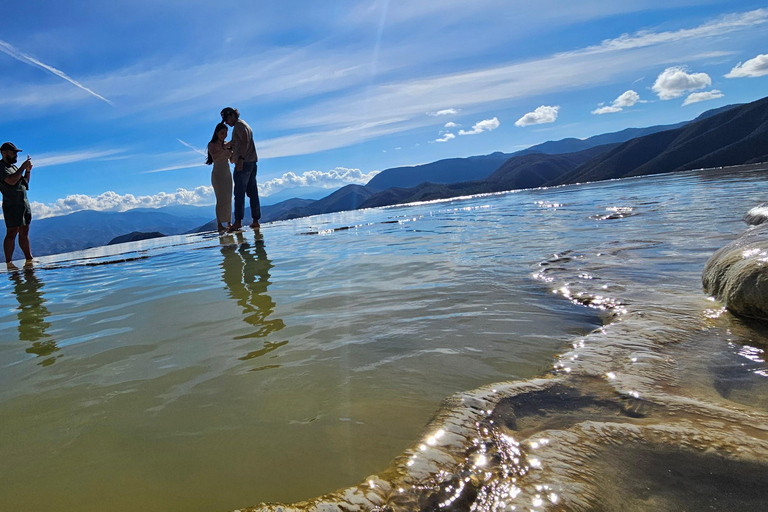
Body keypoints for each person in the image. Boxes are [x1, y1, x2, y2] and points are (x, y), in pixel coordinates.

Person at [221, 107, 260, 231]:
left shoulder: (239, 125)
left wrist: (241, 159)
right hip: (252, 161)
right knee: (252, 192)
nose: (226, 122)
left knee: (239, 193)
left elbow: (245, 141)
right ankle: (255, 220)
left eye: (226, 119)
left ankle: (238, 222)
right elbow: (238, 140)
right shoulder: (243, 125)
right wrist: (227, 145)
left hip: (244, 162)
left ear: (232, 115)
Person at [0, 142, 34, 268]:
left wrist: (28, 171)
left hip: (23, 204)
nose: (16, 155)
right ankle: (8, 262)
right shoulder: (1, 167)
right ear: (4, 153)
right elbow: (11, 180)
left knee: (24, 231)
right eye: (13, 153)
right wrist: (22, 168)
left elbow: (24, 183)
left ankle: (29, 259)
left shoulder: (13, 168)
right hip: (12, 206)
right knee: (12, 232)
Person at [206, 122, 233, 232]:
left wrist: (233, 151)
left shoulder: (227, 144)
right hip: (217, 173)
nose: (224, 135)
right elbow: (215, 156)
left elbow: (232, 161)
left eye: (226, 133)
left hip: (227, 173)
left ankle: (229, 222)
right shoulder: (211, 144)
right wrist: (224, 148)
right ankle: (219, 224)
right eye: (222, 133)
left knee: (228, 198)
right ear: (217, 133)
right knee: (220, 198)